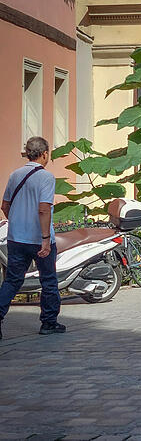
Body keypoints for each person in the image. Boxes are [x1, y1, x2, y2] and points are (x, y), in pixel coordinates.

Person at [0, 136, 61, 340]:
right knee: (48, 280)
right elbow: (44, 209)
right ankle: (49, 323)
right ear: (44, 154)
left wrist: (19, 222)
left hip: (16, 239)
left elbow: (5, 206)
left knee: (12, 280)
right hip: (38, 239)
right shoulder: (46, 177)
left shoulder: (14, 175)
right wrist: (45, 239)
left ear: (27, 154)